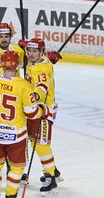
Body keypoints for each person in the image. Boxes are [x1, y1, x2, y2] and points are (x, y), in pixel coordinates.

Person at [0, 50, 49, 198]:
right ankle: (10, 195)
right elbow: (31, 113)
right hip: (16, 136)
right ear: (18, 66)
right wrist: (42, 110)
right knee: (16, 168)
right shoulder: (24, 86)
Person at [24, 38, 63, 196]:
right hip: (35, 109)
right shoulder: (34, 63)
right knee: (34, 142)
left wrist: (29, 98)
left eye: (35, 51)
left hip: (44, 111)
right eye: (29, 51)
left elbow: (41, 89)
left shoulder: (43, 68)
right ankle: (53, 170)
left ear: (41, 52)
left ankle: (51, 179)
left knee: (41, 145)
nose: (31, 54)